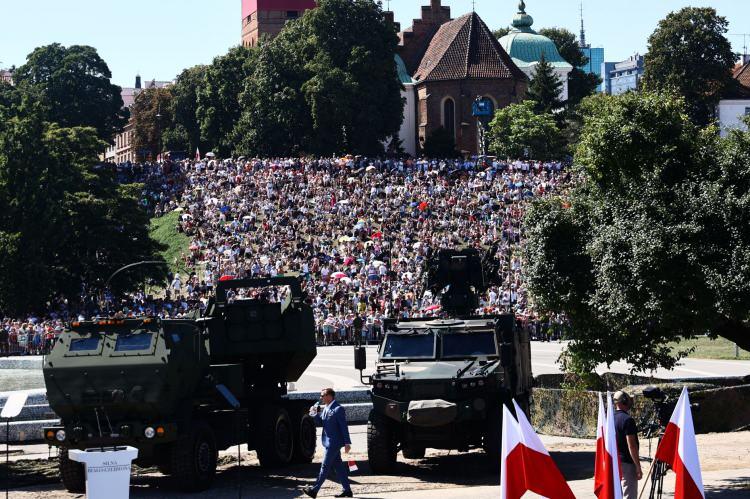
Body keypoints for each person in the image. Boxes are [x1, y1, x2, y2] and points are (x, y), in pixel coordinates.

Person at [303, 388, 353, 498]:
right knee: (339, 467)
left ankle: (314, 490)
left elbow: (344, 427)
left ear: (330, 396)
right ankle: (347, 490)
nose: (321, 397)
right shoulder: (326, 408)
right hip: (328, 443)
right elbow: (321, 422)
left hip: (334, 444)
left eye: (323, 395)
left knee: (325, 467)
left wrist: (347, 443)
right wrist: (314, 414)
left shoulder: (338, 409)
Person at [613, 390, 642, 498]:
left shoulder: (609, 418)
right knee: (629, 495)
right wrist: (637, 466)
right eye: (629, 399)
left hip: (614, 461)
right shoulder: (628, 420)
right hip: (627, 463)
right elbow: (632, 445)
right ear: (624, 401)